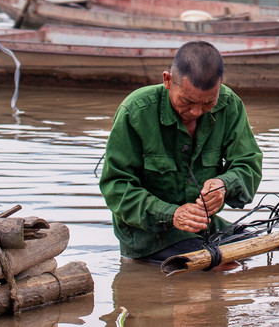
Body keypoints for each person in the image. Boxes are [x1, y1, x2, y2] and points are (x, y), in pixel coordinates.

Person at [100, 40, 263, 266]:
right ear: (167, 80)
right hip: (148, 237)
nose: (196, 112)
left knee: (255, 246)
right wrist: (172, 214)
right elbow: (116, 187)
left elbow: (248, 165)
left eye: (208, 103)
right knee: (214, 265)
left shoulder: (229, 105)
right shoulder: (136, 111)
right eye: (186, 101)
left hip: (204, 227)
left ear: (219, 86)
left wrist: (224, 185)